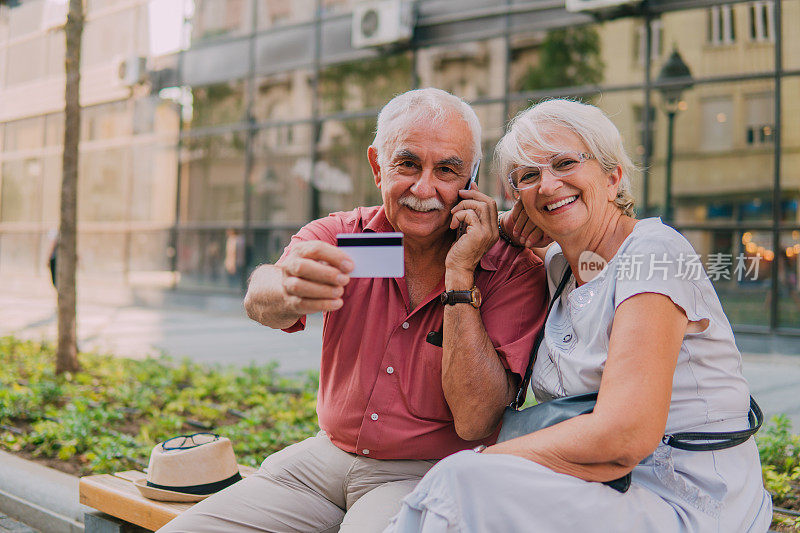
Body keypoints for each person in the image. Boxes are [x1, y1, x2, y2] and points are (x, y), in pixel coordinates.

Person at [158, 88, 547, 533]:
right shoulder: (357, 240)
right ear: (378, 167)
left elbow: (476, 420)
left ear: (472, 178)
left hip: (427, 472)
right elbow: (261, 297)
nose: (424, 188)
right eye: (408, 164)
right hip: (324, 460)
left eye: (447, 170)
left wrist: (460, 274)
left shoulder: (507, 266)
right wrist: (287, 286)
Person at [386, 99, 773, 532]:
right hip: (601, 487)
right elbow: (522, 235)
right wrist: (509, 234)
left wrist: (483, 461)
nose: (548, 185)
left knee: (459, 480)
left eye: (565, 163)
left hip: (684, 500)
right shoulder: (564, 269)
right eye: (528, 176)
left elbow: (622, 437)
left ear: (613, 177)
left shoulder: (655, 255)